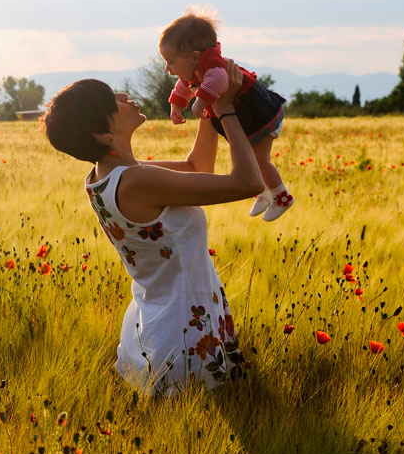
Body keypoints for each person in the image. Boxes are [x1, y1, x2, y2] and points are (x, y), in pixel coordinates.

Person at [40, 61, 259, 395]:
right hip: (184, 330)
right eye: (112, 98)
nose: (124, 95)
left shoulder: (106, 178)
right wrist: (227, 110)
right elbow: (248, 182)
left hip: (162, 318)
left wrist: (209, 102)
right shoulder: (136, 181)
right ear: (103, 133)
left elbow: (195, 167)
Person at [160, 8, 293, 221]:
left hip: (261, 115)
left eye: (171, 61)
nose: (167, 68)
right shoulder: (194, 67)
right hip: (247, 116)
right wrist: (177, 103)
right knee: (248, 158)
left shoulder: (213, 67)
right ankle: (263, 192)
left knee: (259, 160)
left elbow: (220, 82)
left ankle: (280, 194)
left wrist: (200, 102)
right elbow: (184, 84)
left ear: (194, 57)